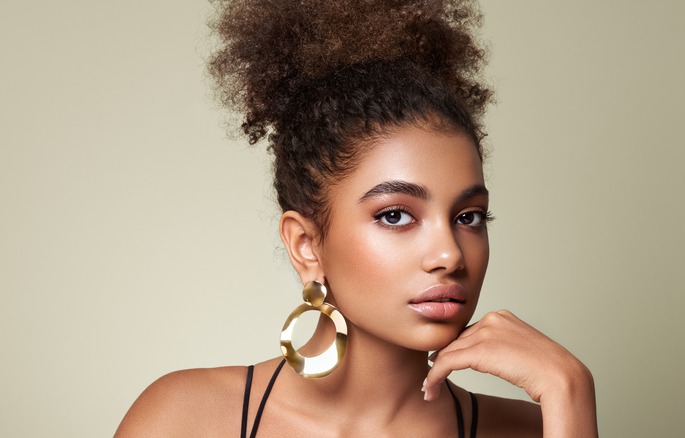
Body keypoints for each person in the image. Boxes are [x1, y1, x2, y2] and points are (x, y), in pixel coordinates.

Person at [116, 1, 598, 436]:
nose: (450, 254)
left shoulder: (536, 429)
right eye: (394, 216)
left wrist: (569, 390)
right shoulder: (186, 419)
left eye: (469, 216)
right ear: (306, 244)